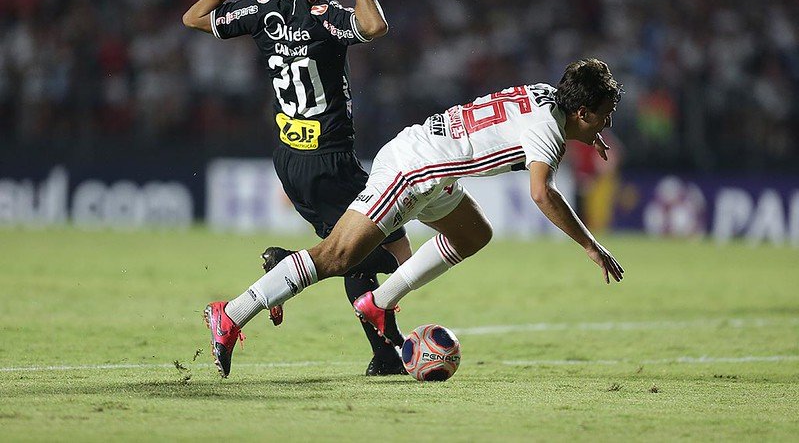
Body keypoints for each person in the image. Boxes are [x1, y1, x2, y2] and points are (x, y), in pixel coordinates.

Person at [204, 58, 626, 378]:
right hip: (414, 170)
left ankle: (377, 303)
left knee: (474, 232)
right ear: (583, 111)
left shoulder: (545, 95)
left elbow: (533, 127)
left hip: (434, 165)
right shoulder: (548, 130)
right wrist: (591, 245)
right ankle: (232, 313)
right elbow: (542, 193)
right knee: (337, 256)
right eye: (605, 113)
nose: (607, 121)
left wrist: (586, 134)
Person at [183, 0, 413, 376]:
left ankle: (386, 354)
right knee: (397, 254)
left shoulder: (263, 11)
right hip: (332, 160)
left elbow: (193, 18)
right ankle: (280, 273)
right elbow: (375, 26)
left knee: (353, 251)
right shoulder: (326, 16)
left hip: (290, 160)